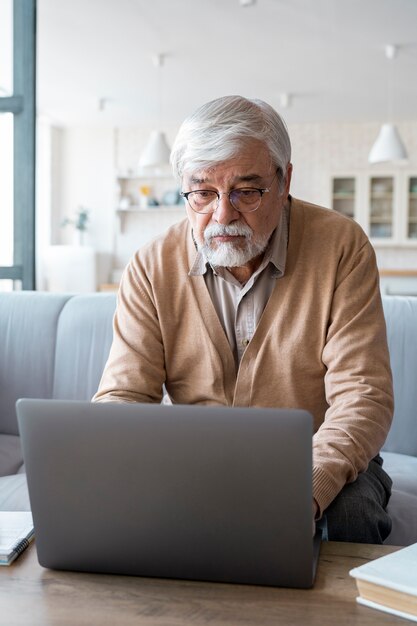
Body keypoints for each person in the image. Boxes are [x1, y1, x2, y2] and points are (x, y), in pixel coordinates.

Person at [93, 95, 393, 543]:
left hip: (316, 456)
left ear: (284, 179)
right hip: (194, 459)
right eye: (202, 192)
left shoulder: (340, 247)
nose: (223, 214)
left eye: (246, 192)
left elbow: (362, 396)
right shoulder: (151, 265)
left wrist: (306, 487)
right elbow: (123, 395)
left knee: (348, 519)